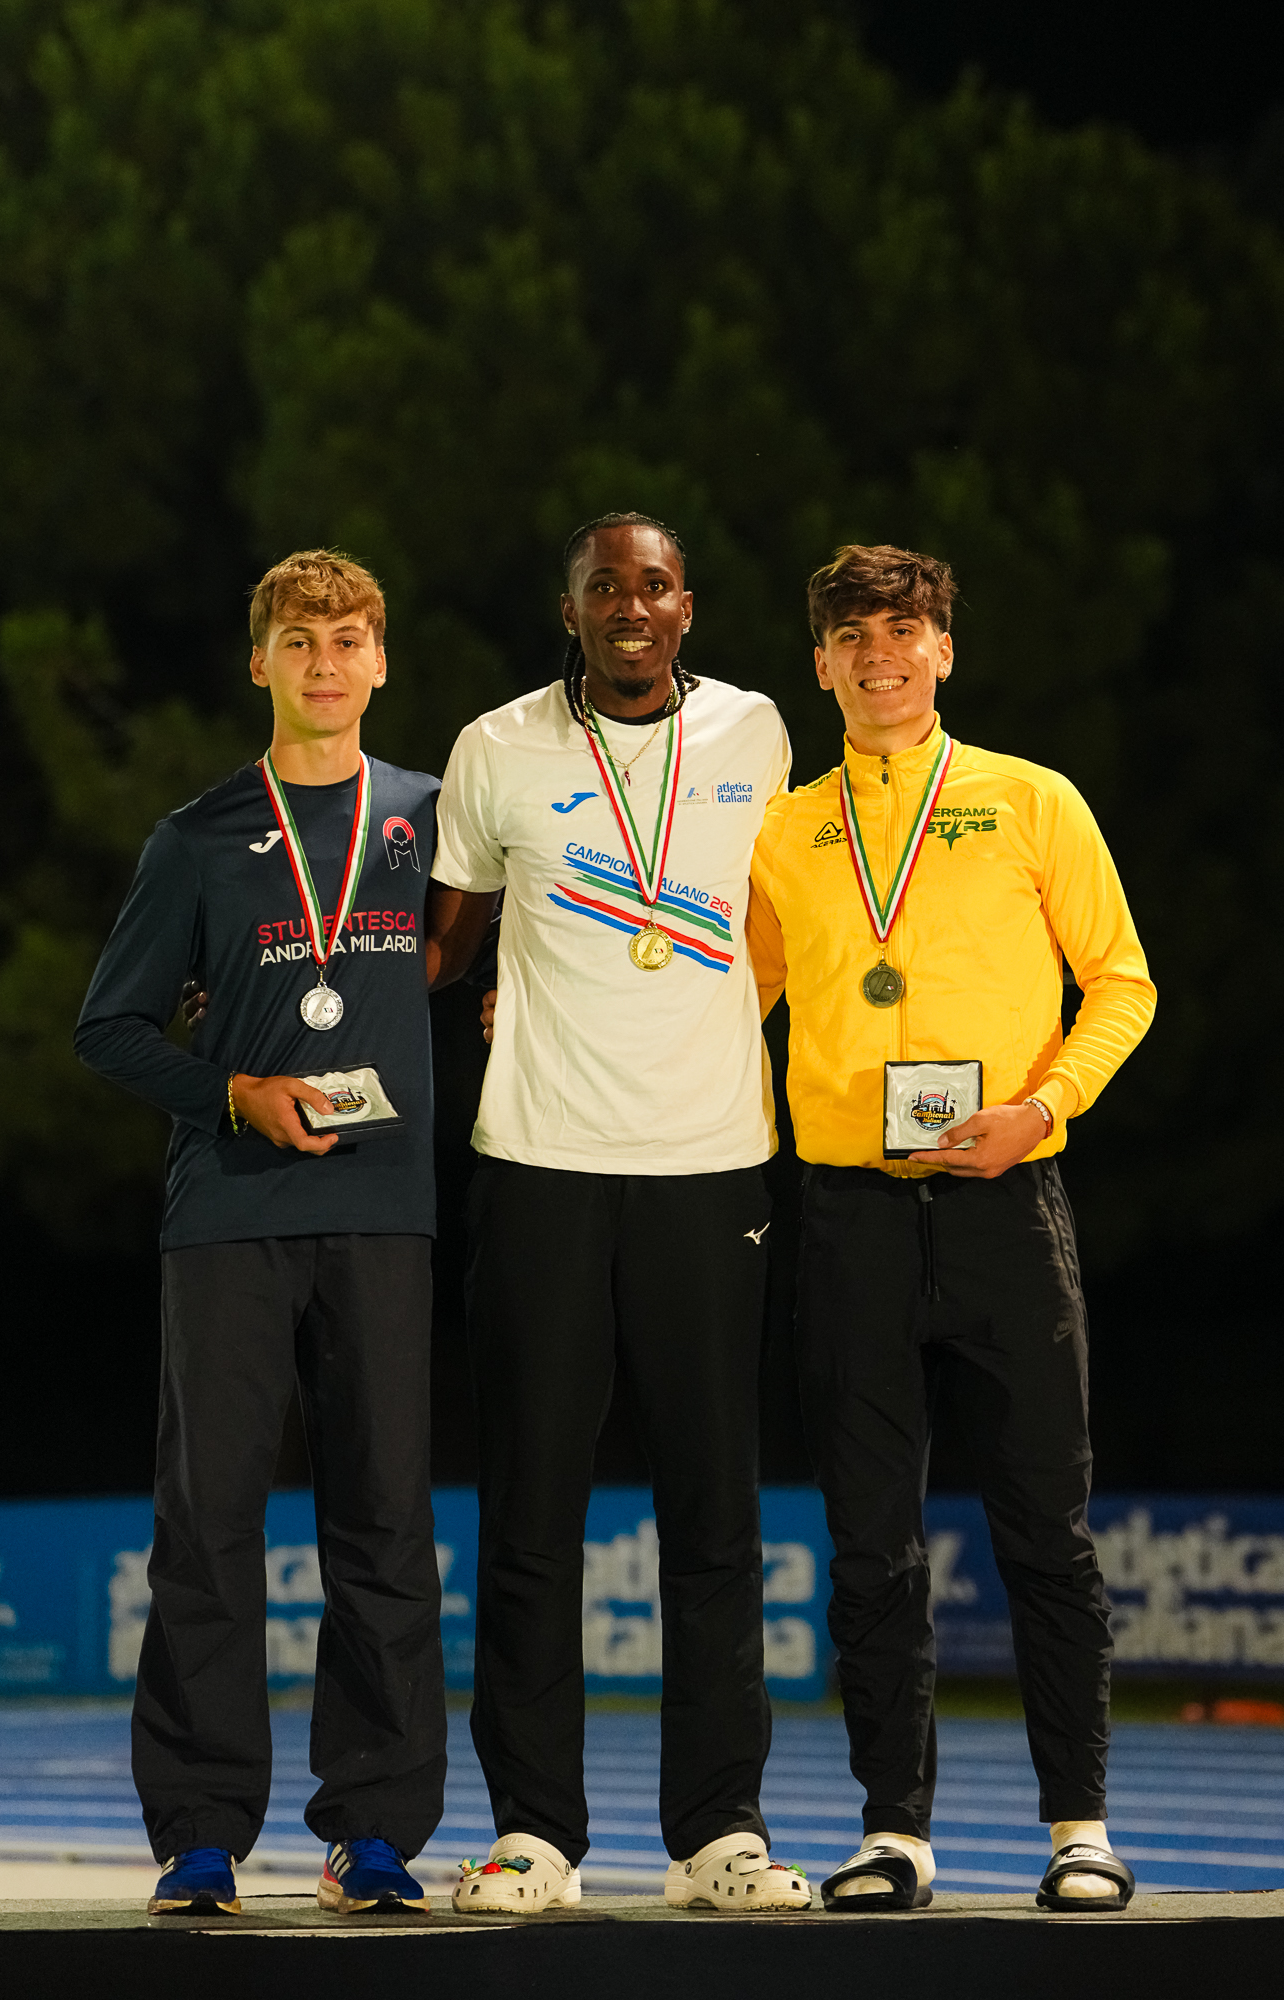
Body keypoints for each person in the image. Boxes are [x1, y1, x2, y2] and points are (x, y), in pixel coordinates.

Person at [75, 549, 488, 1918]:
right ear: (258, 662)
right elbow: (110, 1026)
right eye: (299, 641)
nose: (325, 661)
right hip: (231, 1214)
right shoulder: (196, 837)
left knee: (385, 1525)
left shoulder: (433, 818)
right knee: (208, 1526)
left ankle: (372, 1829)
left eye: (348, 637)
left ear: (382, 661)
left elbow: (489, 949)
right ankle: (200, 1830)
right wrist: (232, 1092)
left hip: (384, 1212)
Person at [748, 544, 1156, 1915]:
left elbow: (1122, 983)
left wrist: (1043, 1108)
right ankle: (893, 1833)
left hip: (1004, 1206)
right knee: (871, 1545)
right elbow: (726, 1004)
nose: (880, 653)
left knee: (1047, 1532)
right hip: (847, 1217)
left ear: (942, 651)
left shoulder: (1031, 800)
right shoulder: (783, 832)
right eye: (852, 634)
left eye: (903, 629)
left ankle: (1080, 1829)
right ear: (820, 664)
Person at [430, 512, 811, 1916]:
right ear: (574, 611)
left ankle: (719, 1834)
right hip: (538, 1161)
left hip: (710, 1165)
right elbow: (440, 943)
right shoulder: (496, 747)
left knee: (714, 1514)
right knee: (530, 1514)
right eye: (606, 588)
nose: (631, 606)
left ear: (686, 607)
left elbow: (790, 916)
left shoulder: (757, 732)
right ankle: (536, 1834)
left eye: (653, 586)